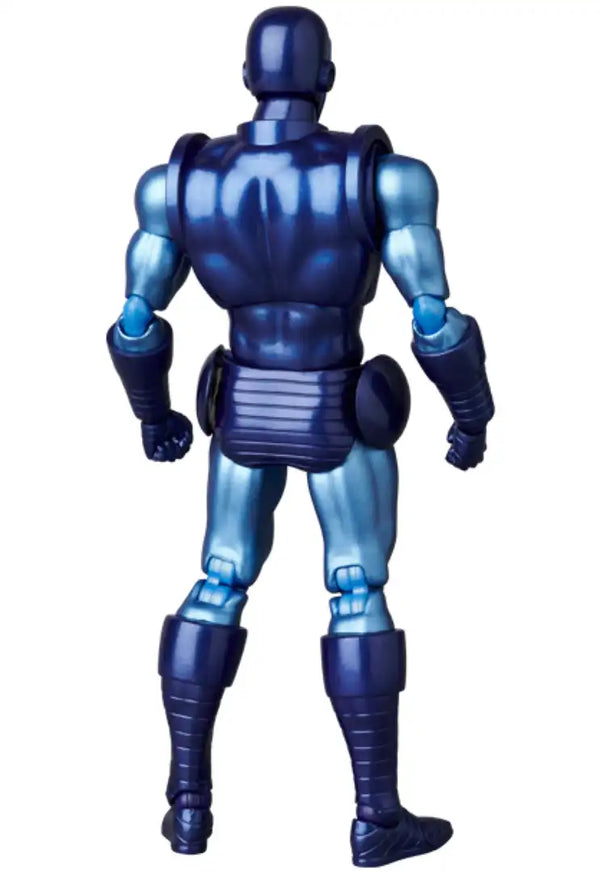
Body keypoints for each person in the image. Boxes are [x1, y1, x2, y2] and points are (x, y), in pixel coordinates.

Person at [107, 7, 494, 866]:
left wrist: (153, 416)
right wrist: (472, 414)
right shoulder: (386, 179)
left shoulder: (180, 184)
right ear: (327, 77)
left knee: (218, 581)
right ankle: (374, 818)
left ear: (248, 77)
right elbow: (433, 319)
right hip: (332, 410)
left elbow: (134, 322)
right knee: (356, 589)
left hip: (244, 411)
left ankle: (187, 809)